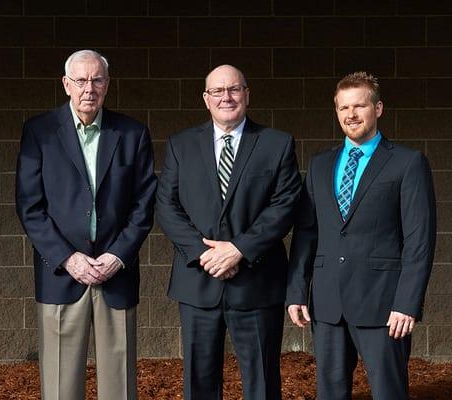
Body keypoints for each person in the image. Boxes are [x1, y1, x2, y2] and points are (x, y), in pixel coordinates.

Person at [15, 49, 157, 400]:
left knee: (120, 387)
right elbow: (30, 207)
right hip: (61, 274)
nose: (88, 88)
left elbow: (144, 204)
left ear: (107, 85)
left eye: (96, 80)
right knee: (61, 386)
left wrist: (118, 255)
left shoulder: (132, 133)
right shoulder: (40, 131)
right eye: (80, 80)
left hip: (116, 273)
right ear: (66, 84)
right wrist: (69, 258)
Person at [286, 71, 436, 400]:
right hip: (327, 304)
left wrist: (407, 303)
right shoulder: (321, 164)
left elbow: (419, 240)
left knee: (388, 392)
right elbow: (307, 233)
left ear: (378, 108)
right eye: (343, 108)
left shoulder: (408, 163)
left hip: (384, 306)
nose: (351, 114)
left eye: (359, 106)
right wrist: (297, 290)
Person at [156, 64, 301, 400]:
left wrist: (238, 249)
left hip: (256, 280)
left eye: (234, 89)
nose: (226, 97)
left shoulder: (276, 144)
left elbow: (285, 206)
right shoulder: (181, 145)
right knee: (199, 381)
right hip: (198, 281)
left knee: (261, 382)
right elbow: (166, 205)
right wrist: (206, 253)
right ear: (206, 99)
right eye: (217, 91)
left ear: (247, 95)